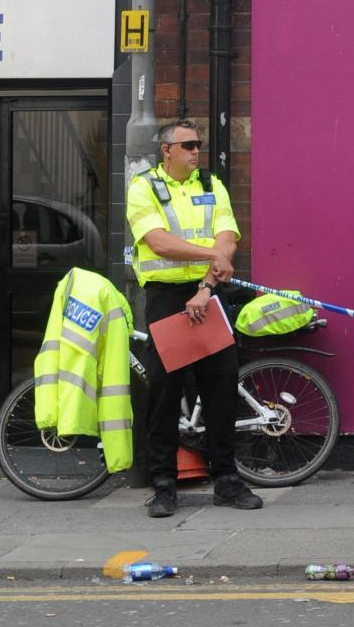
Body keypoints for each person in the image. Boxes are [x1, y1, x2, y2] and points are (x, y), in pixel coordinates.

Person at [126, 119, 263, 517]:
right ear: (166, 150)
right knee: (164, 393)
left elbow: (227, 236)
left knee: (221, 388)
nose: (195, 151)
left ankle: (226, 480)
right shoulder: (144, 188)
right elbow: (157, 241)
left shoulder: (210, 184)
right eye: (187, 145)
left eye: (198, 145)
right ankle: (164, 484)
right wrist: (211, 258)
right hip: (167, 298)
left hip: (206, 292)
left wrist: (206, 286)